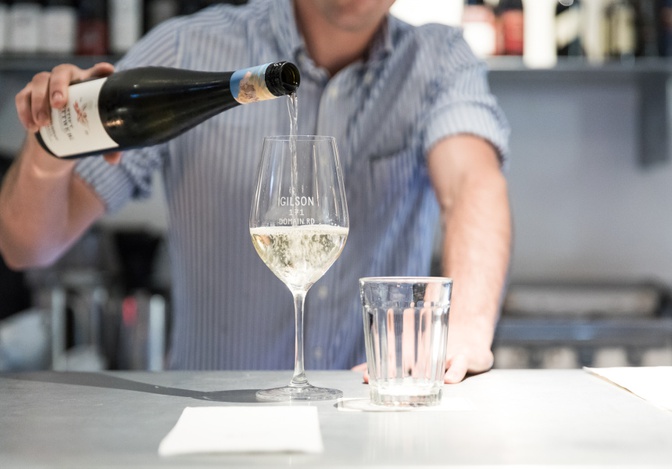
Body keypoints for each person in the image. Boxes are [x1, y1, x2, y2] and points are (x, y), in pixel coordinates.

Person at [0, 0, 511, 383]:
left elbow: (472, 185)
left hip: (376, 422)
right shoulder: (184, 50)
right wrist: (51, 144)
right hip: (215, 437)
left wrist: (464, 326)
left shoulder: (438, 61)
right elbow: (26, 246)